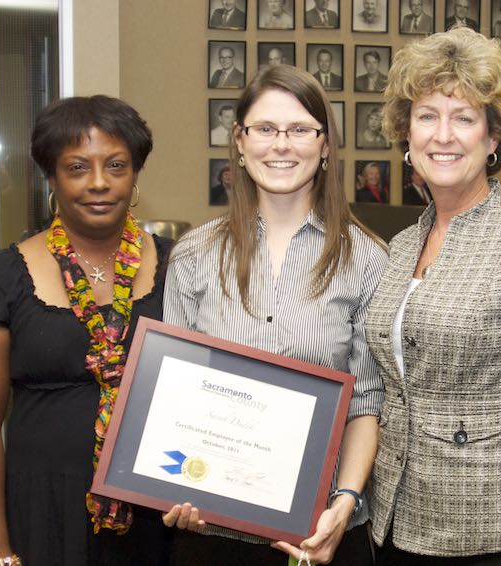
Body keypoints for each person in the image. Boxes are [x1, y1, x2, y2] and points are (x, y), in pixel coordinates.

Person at [162, 64, 387, 566]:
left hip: (325, 531)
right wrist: (169, 482)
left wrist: (344, 500)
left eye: (300, 129)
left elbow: (367, 402)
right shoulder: (193, 256)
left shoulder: (369, 260)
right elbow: (174, 396)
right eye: (264, 129)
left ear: (325, 145)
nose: (280, 145)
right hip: (212, 531)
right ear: (239, 143)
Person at [365, 27, 501, 565]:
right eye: (427, 116)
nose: (442, 136)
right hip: (397, 522)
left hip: (497, 535)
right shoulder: (401, 246)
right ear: (406, 133)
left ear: (493, 138)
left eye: (464, 118)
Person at [0, 96, 174, 565]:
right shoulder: (5, 275)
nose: (98, 183)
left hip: (157, 514)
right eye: (76, 167)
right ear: (51, 177)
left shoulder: (182, 266)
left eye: (115, 165)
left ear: (134, 176)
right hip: (40, 512)